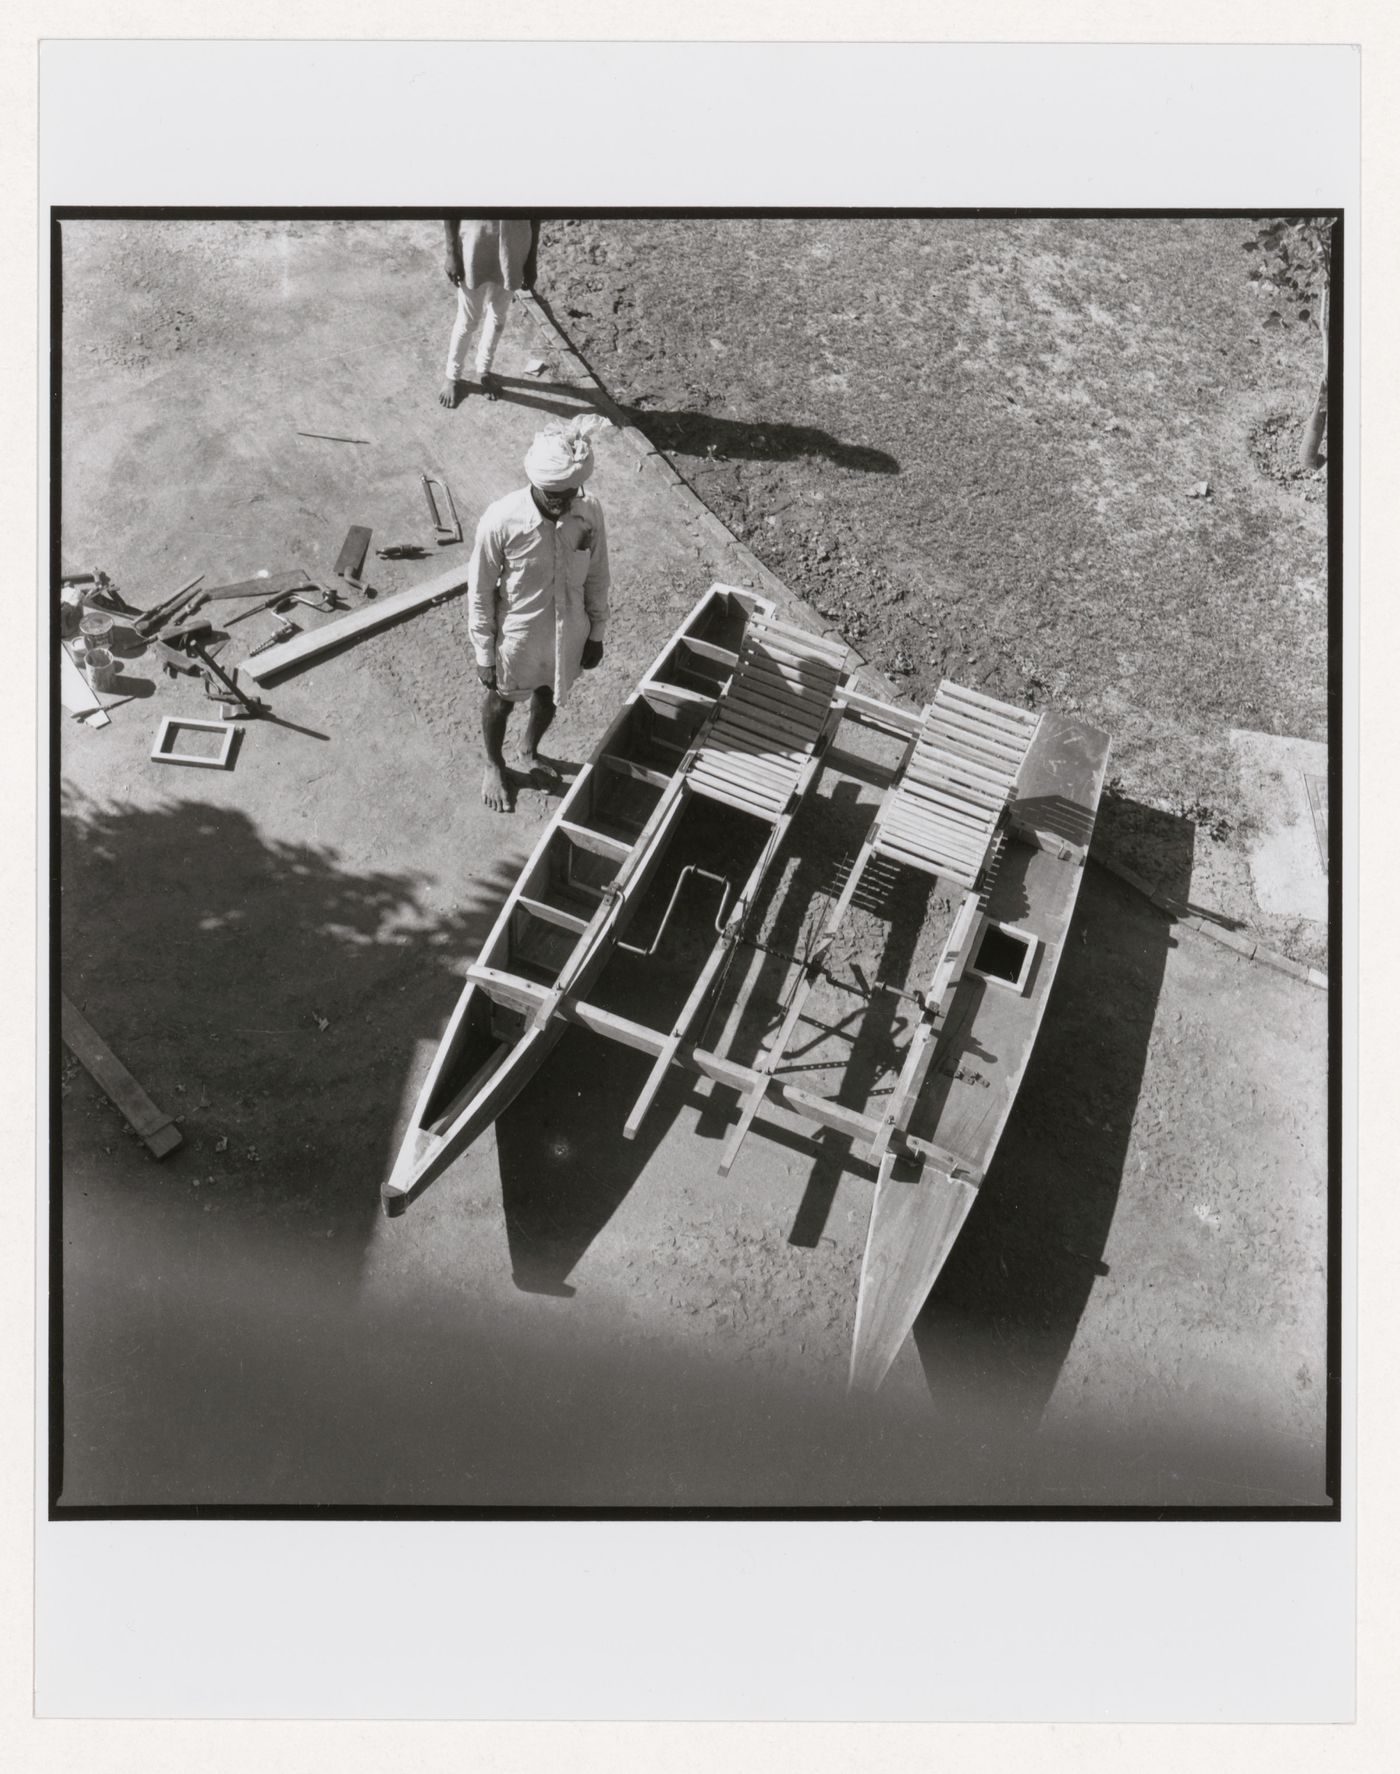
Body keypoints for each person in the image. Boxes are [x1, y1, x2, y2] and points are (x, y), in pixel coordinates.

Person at [467, 416, 612, 811]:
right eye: (555, 497)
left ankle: (529, 750)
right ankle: (494, 764)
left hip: (569, 634)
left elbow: (597, 574)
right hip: (518, 638)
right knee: (501, 700)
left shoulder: (588, 512)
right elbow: (480, 592)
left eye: (570, 494)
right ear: (536, 483)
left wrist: (596, 633)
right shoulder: (501, 520)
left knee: (549, 694)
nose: (564, 504)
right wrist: (484, 652)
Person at [438, 218, 540, 407]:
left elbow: (536, 214)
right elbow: (449, 208)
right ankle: (452, 376)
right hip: (474, 245)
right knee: (468, 319)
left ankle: (484, 370)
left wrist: (531, 260)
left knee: (498, 315)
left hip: (514, 249)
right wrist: (452, 253)